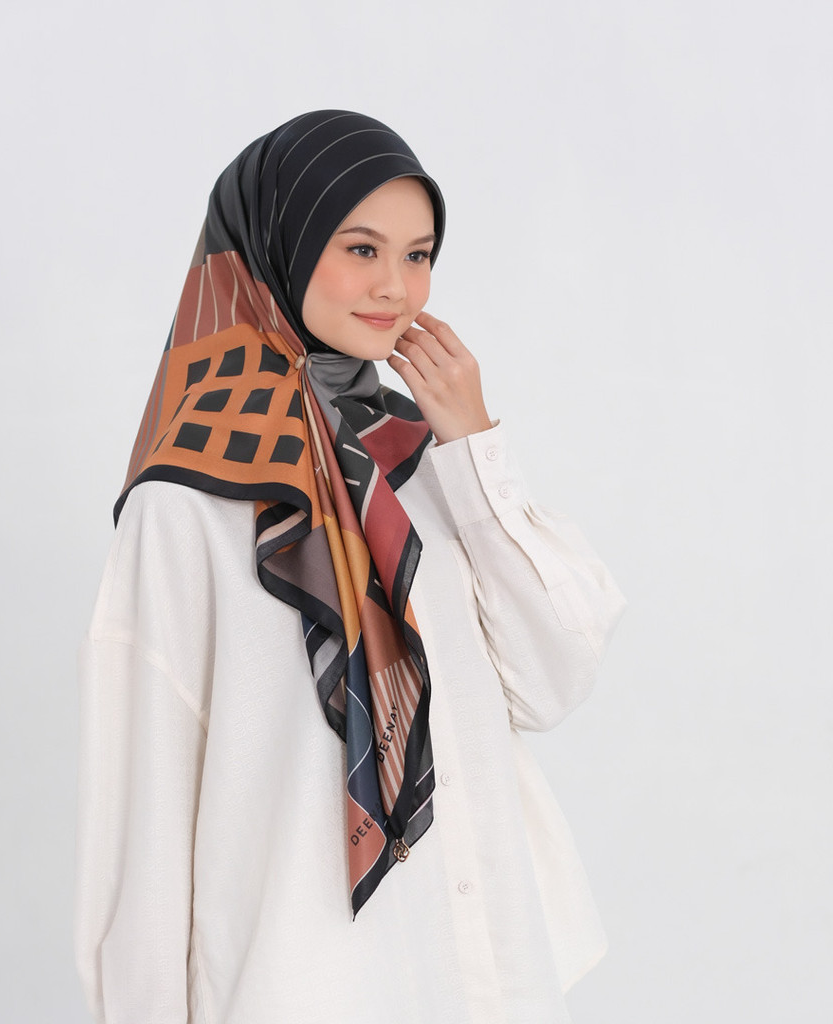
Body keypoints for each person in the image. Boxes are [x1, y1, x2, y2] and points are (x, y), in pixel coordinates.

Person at [75, 109, 625, 1024]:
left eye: (419, 255)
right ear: (279, 244)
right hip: (305, 990)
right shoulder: (188, 501)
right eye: (361, 249)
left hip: (480, 982)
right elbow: (146, 819)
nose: (395, 288)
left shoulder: (426, 462)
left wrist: (476, 449)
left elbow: (552, 680)